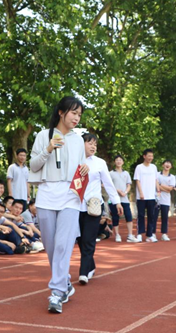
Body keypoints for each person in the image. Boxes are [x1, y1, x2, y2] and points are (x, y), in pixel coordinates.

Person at [30, 96, 88, 314]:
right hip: (47, 192)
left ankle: (56, 292)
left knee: (64, 244)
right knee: (51, 244)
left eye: (80, 114)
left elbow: (82, 167)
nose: (76, 118)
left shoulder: (77, 140)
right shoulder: (43, 135)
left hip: (70, 195)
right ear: (62, 112)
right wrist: (48, 148)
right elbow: (34, 166)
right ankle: (64, 281)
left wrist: (85, 171)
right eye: (74, 113)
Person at [77, 133, 122, 285]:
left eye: (95, 144)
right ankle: (91, 265)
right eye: (90, 143)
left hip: (93, 206)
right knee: (80, 239)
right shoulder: (72, 160)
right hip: (75, 206)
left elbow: (108, 184)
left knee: (89, 239)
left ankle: (83, 272)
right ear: (81, 144)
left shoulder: (100, 163)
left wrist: (117, 202)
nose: (93, 146)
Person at [134, 149, 160, 242]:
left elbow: (156, 180)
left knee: (151, 215)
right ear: (144, 156)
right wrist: (141, 192)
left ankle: (150, 234)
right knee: (141, 215)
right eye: (149, 156)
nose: (150, 158)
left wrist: (158, 191)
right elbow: (137, 180)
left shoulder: (154, 167)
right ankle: (139, 234)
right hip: (141, 196)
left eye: (152, 156)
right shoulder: (139, 167)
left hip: (151, 196)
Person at [109, 155, 134, 243]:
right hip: (113, 199)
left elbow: (129, 185)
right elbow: (106, 184)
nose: (119, 161)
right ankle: (117, 235)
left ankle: (130, 235)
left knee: (128, 216)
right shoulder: (110, 173)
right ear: (114, 162)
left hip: (124, 199)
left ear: (123, 162)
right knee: (115, 217)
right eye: (117, 160)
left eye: (120, 160)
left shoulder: (126, 173)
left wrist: (125, 192)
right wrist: (117, 190)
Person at [156, 160, 176, 241]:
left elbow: (170, 189)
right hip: (157, 198)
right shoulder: (157, 174)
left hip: (166, 200)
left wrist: (160, 185)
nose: (167, 165)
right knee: (154, 217)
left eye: (169, 163)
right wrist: (165, 187)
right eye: (166, 163)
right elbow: (155, 184)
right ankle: (152, 233)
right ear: (162, 165)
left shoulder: (172, 177)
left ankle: (164, 234)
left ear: (171, 166)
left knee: (165, 218)